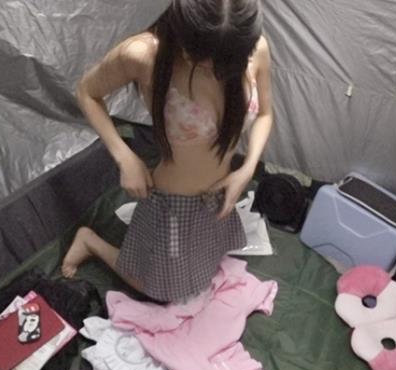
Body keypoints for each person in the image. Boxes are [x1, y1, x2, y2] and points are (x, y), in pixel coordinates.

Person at [61, 0, 273, 303]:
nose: (217, 71)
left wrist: (247, 169)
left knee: (208, 264)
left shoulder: (252, 48)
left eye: (228, 62)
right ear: (184, 34)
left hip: (220, 196)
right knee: (163, 291)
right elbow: (87, 92)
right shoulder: (144, 55)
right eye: (204, 62)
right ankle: (91, 242)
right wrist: (124, 156)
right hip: (173, 203)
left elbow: (265, 114)